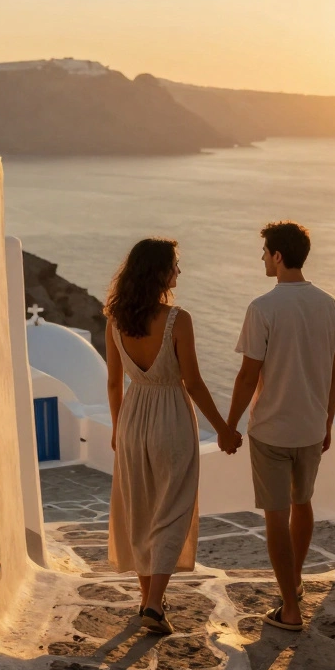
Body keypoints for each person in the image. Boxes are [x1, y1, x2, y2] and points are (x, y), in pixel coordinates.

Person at [104, 237, 242, 635]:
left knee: (141, 510)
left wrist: (117, 428)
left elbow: (114, 382)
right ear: (159, 271)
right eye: (175, 265)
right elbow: (194, 383)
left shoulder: (114, 319)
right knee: (172, 510)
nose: (179, 272)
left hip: (132, 418)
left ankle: (150, 602)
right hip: (171, 420)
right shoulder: (177, 320)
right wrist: (224, 430)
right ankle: (152, 604)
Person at [225, 222, 335, 631]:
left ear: (278, 256)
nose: (262, 258)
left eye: (264, 252)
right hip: (312, 428)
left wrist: (229, 424)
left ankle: (290, 608)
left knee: (276, 516)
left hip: (271, 430)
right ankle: (292, 585)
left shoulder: (263, 308)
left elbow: (247, 377)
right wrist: (327, 420)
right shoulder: (330, 305)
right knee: (303, 503)